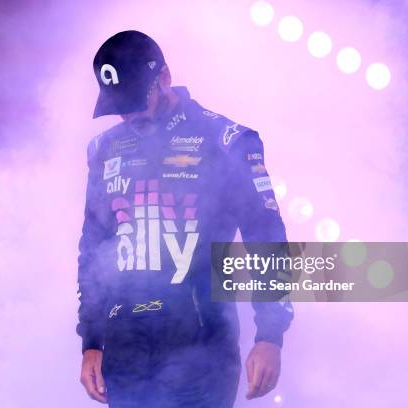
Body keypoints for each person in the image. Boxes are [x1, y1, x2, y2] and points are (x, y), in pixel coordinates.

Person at [77, 30, 293, 407]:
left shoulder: (226, 140)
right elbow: (94, 248)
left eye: (134, 102)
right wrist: (91, 342)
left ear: (163, 78)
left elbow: (266, 238)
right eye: (119, 105)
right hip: (125, 352)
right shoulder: (103, 149)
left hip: (201, 350)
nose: (128, 114)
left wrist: (269, 337)